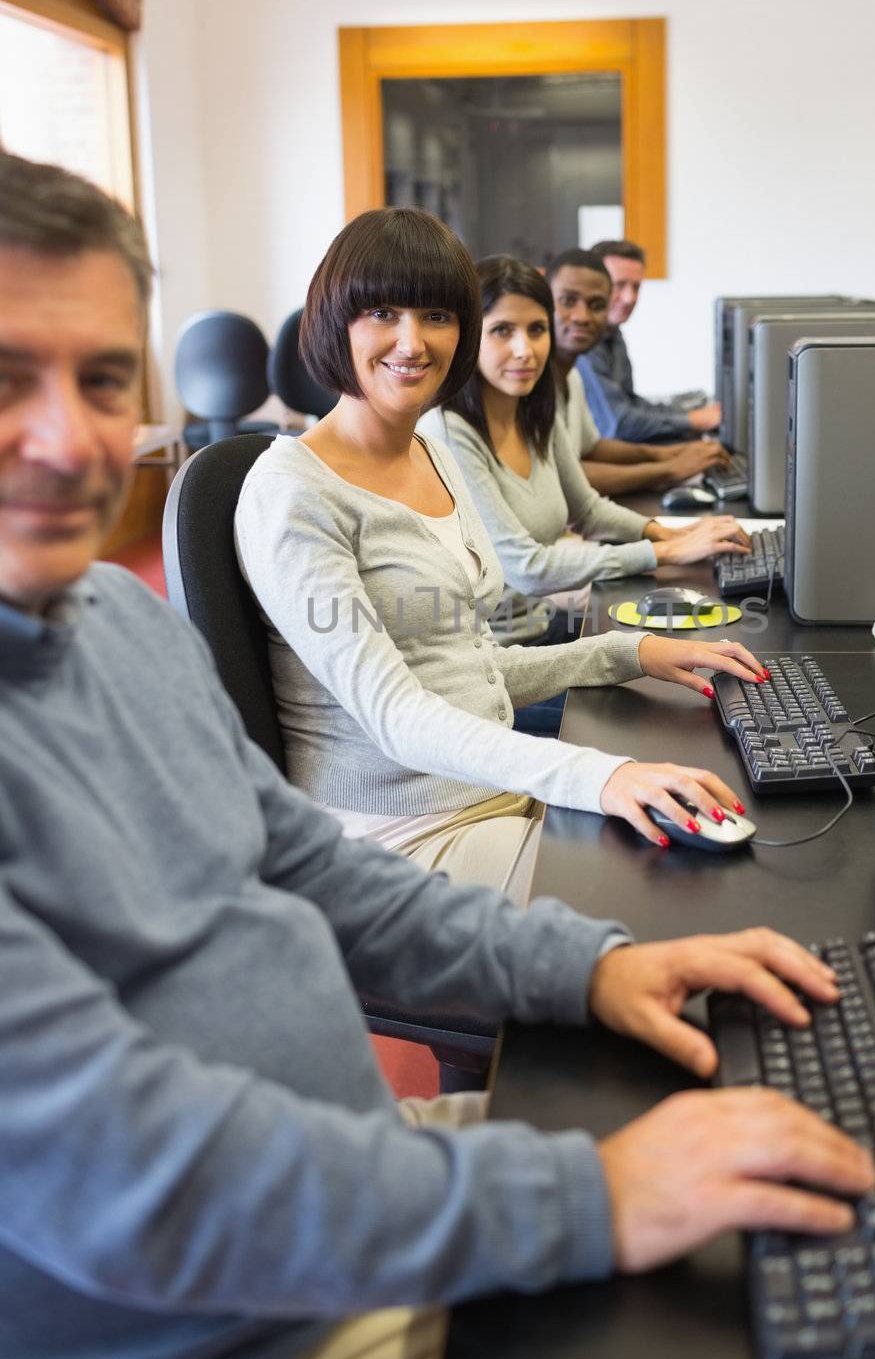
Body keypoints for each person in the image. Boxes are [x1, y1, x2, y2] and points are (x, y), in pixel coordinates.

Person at [0, 153, 875, 1359]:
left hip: (351, 1166)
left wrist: (588, 966)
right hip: (228, 1348)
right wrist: (593, 1195)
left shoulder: (105, 621)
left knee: (808, 1171)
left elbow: (300, 863)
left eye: (97, 380)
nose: (67, 435)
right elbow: (149, 1183)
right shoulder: (286, 499)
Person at [235, 208, 768, 903]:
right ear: (334, 321)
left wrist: (627, 653)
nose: (411, 340)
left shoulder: (428, 453)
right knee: (658, 900)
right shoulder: (293, 494)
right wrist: (597, 774)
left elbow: (471, 673)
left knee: (718, 860)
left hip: (489, 788)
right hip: (397, 835)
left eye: (435, 314)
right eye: (381, 312)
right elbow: (397, 716)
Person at [426, 253, 751, 650]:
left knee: (690, 651)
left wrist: (670, 533)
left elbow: (588, 511)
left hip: (540, 628)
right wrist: (663, 551)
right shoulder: (448, 433)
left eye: (536, 330)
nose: (524, 350)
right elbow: (527, 569)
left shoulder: (534, 411)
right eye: (502, 331)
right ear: (468, 337)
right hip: (493, 666)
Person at [546, 248, 726, 498]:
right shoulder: (531, 378)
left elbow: (592, 446)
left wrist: (668, 454)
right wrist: (668, 469)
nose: (582, 316)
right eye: (568, 301)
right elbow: (562, 474)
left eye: (596, 304)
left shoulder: (578, 369)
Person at [585, 237, 723, 439]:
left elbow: (630, 403)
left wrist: (689, 416)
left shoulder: (613, 334)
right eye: (619, 285)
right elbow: (618, 423)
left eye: (636, 287)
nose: (629, 298)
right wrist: (693, 420)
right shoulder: (583, 344)